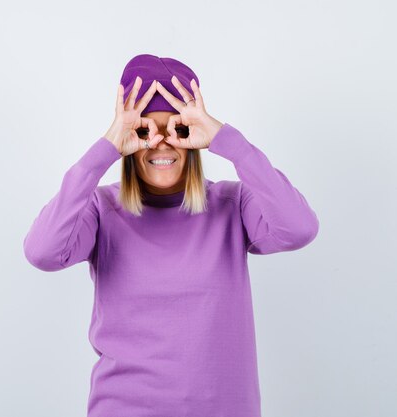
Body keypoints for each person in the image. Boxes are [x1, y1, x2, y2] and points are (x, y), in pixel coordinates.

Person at [23, 54, 319, 417]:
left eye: (178, 130)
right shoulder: (101, 210)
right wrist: (103, 152)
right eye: (145, 130)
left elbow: (299, 228)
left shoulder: (232, 204)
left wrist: (230, 142)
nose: (162, 143)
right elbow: (42, 252)